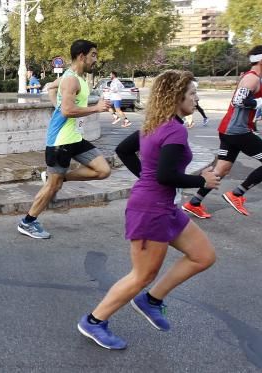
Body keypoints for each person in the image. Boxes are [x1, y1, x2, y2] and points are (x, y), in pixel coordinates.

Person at [78, 69, 219, 350]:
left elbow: (123, 150)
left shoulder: (157, 123)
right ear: (176, 96)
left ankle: (151, 300)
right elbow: (166, 175)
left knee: (203, 256)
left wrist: (145, 176)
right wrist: (202, 179)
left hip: (164, 206)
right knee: (141, 275)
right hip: (151, 210)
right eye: (191, 93)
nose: (196, 98)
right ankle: (94, 321)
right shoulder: (174, 129)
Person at [17, 40, 112, 239]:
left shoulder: (77, 78)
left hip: (75, 138)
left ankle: (61, 177)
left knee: (103, 170)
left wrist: (56, 106)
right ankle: (28, 221)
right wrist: (96, 108)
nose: (96, 59)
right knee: (53, 186)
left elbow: (51, 88)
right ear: (81, 56)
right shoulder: (71, 80)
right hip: (60, 141)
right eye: (93, 54)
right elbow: (68, 110)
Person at [182, 44, 262, 219]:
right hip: (238, 131)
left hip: (229, 130)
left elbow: (244, 103)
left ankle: (194, 203)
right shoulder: (252, 79)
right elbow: (239, 101)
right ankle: (236, 194)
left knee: (221, 169)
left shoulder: (254, 78)